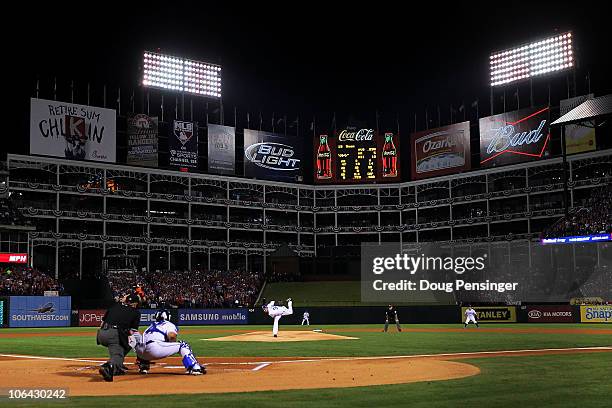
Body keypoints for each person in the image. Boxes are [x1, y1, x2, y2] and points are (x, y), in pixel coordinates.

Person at [132, 310, 204, 375]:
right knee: (183, 345)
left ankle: (143, 367)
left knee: (145, 344)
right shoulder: (168, 324)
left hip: (140, 353)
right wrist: (171, 345)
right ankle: (194, 367)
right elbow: (172, 336)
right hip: (154, 349)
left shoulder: (151, 326)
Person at [97, 293, 141, 382]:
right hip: (113, 335)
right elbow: (132, 332)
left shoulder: (115, 307)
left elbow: (101, 324)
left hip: (101, 335)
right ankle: (108, 366)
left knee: (121, 346)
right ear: (135, 304)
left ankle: (118, 365)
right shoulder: (136, 312)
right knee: (129, 344)